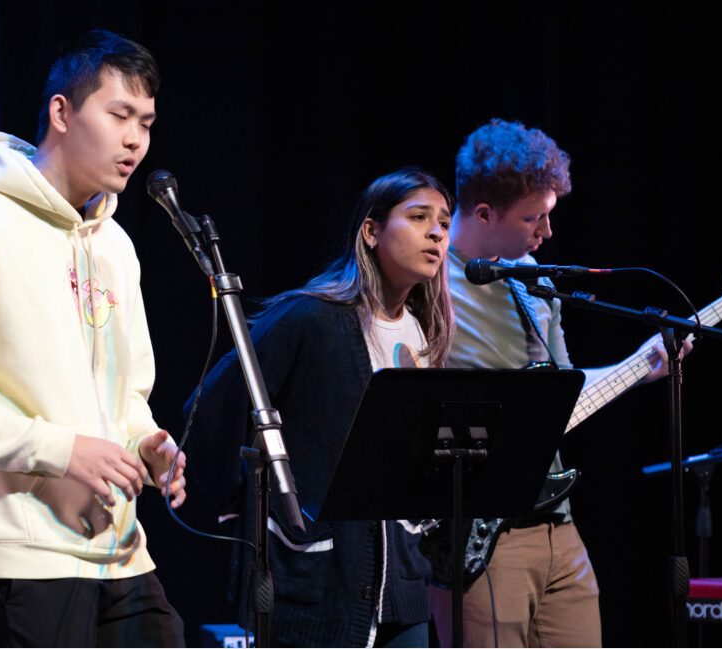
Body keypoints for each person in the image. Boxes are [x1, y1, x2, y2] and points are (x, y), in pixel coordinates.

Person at [0, 30, 186, 647]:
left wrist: (148, 445)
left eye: (147, 122)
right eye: (119, 114)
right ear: (61, 112)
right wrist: (62, 449)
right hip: (16, 557)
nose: (136, 139)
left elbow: (127, 396)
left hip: (122, 552)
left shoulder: (116, 245)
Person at [429, 118, 689, 647]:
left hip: (558, 525)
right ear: (483, 213)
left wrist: (641, 367)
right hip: (478, 537)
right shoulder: (426, 279)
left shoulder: (535, 281)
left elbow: (563, 389)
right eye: (533, 218)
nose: (546, 233)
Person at [186, 168, 455, 647]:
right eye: (418, 218)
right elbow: (214, 408)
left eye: (444, 223)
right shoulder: (312, 317)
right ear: (371, 232)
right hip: (316, 583)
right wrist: (243, 512)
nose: (436, 232)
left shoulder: (424, 336)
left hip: (402, 589)